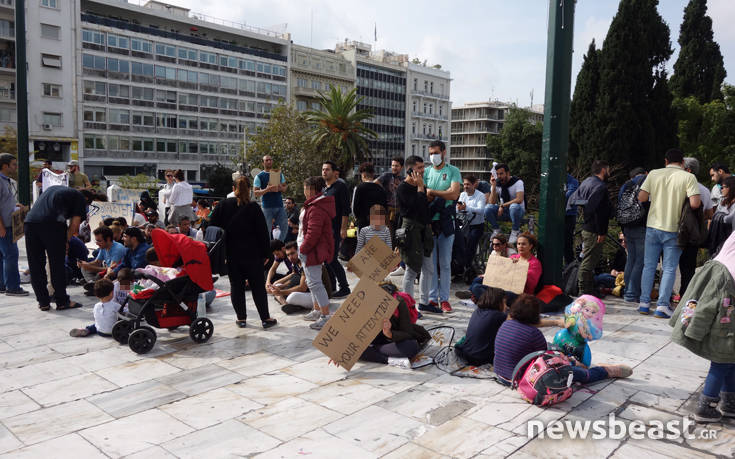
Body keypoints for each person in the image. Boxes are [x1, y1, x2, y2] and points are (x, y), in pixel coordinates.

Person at [493, 294, 632, 385]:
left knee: (549, 347)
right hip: (520, 379)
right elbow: (548, 359)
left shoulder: (506, 323)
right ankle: (606, 371)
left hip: (500, 374)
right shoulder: (533, 334)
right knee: (575, 373)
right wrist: (570, 361)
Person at [670, 231, 735, 422]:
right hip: (727, 293)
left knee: (730, 356)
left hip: (722, 283)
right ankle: (706, 406)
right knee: (722, 356)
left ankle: (730, 401)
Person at [638, 148, 701, 318]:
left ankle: (644, 303)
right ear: (682, 163)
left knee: (649, 265)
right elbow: (695, 203)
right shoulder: (689, 177)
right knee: (669, 268)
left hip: (653, 226)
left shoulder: (653, 174)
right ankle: (662, 306)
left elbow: (642, 197)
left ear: (665, 161)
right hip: (674, 229)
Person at [209, 176, 277, 329]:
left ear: (233, 189)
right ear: (249, 189)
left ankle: (241, 319)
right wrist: (266, 254)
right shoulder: (253, 207)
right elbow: (263, 233)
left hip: (232, 254)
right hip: (253, 255)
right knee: (258, 286)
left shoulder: (223, 205)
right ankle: (265, 318)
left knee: (236, 286)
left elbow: (211, 226)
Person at [25, 187, 97, 310]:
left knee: (35, 265)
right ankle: (62, 301)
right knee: (56, 265)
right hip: (52, 226)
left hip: (30, 223)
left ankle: (43, 302)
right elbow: (75, 224)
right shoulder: (79, 198)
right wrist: (66, 241)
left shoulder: (54, 190)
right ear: (86, 199)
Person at [424, 140, 461, 313]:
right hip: (430, 222)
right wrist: (438, 195)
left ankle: (444, 299)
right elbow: (422, 195)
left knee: (445, 264)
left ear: (444, 152)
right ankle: (432, 298)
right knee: (431, 264)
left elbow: (454, 194)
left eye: (436, 152)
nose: (433, 156)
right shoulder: (426, 172)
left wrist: (433, 193)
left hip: (446, 222)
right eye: (431, 153)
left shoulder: (453, 171)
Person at [358, 284, 431, 369]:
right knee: (354, 351)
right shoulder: (366, 306)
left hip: (394, 342)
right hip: (375, 342)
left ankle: (374, 351)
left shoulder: (399, 303)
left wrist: (389, 333)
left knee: (411, 347)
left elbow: (408, 333)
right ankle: (389, 360)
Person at [567, 160, 612, 295]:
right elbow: (598, 211)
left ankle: (587, 289)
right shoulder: (600, 187)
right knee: (589, 262)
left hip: (587, 227)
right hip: (594, 230)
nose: (609, 172)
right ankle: (584, 291)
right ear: (603, 170)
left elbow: (575, 200)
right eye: (608, 169)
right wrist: (601, 231)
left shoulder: (587, 182)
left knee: (588, 259)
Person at [298, 176, 335, 330]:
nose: (304, 190)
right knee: (312, 282)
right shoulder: (313, 204)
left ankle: (325, 316)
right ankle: (316, 310)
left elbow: (313, 233)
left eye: (305, 187)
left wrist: (303, 248)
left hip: (312, 251)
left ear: (311, 189)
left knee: (315, 283)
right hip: (308, 250)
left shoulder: (317, 207)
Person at [397, 156, 434, 309]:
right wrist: (420, 188)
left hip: (424, 230)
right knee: (412, 269)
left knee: (429, 268)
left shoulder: (421, 186)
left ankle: (424, 302)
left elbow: (424, 208)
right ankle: (408, 306)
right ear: (410, 170)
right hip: (411, 230)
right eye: (419, 168)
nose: (422, 171)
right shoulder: (403, 188)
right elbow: (414, 207)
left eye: (423, 167)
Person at [679, 158, 714, 296]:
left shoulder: (679, 185)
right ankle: (685, 295)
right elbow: (710, 213)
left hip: (675, 231)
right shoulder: (704, 190)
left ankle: (665, 296)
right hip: (693, 234)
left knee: (669, 266)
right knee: (689, 267)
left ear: (688, 170)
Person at [454, 287, 508, 366]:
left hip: (465, 354)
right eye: (504, 303)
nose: (506, 306)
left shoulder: (477, 311)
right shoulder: (499, 316)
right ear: (498, 303)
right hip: (481, 359)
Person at [322, 161, 351, 298]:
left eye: (327, 169)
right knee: (326, 259)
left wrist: (343, 229)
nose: (324, 172)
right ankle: (332, 286)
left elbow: (346, 210)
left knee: (332, 259)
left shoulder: (340, 187)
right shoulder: (325, 189)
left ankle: (344, 287)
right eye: (323, 169)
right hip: (325, 230)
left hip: (336, 228)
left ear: (334, 172)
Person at [0, 154, 28, 296]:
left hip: (7, 224)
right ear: (5, 165)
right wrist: (1, 227)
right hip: (4, 226)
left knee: (3, 256)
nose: (15, 167)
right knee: (11, 255)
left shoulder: (6, 181)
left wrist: (14, 205)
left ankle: (3, 284)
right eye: (13, 164)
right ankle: (12, 287)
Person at [619, 167, 648, 304]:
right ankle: (632, 293)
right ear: (646, 173)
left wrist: (623, 230)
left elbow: (621, 207)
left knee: (631, 258)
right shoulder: (645, 182)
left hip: (627, 225)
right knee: (640, 261)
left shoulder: (625, 185)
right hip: (641, 225)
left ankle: (627, 291)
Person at [485, 163, 525, 244]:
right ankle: (496, 230)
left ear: (508, 173)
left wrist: (503, 205)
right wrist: (493, 187)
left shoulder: (518, 182)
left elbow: (519, 199)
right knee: (487, 208)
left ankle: (515, 231)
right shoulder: (497, 184)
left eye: (501, 173)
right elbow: (491, 202)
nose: (499, 176)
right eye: (497, 174)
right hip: (504, 212)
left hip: (517, 211)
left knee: (514, 206)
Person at [79, 226, 126, 291]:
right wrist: (85, 264)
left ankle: (96, 286)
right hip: (107, 271)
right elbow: (97, 262)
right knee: (84, 268)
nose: (96, 243)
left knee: (106, 276)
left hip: (115, 273)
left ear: (108, 239)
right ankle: (94, 284)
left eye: (99, 241)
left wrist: (89, 267)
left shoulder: (118, 249)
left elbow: (112, 270)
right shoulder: (104, 246)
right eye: (96, 240)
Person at [253, 155, 288, 242]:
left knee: (285, 227)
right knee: (266, 230)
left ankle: (279, 246)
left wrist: (280, 187)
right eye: (266, 160)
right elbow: (255, 193)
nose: (269, 162)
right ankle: (268, 249)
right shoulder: (259, 176)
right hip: (267, 207)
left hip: (279, 205)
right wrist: (267, 189)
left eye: (270, 160)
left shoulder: (279, 174)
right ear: (263, 163)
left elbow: (285, 188)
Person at [457, 175, 486, 273]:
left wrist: (467, 209)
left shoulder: (480, 195)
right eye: (464, 184)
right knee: (459, 244)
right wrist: (459, 209)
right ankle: (458, 266)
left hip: (476, 226)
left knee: (471, 243)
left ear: (474, 185)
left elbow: (481, 210)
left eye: (468, 184)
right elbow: (458, 207)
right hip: (464, 224)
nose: (465, 186)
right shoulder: (462, 195)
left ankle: (467, 267)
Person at [267, 241, 306, 307]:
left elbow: (302, 287)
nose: (290, 257)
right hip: (296, 278)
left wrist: (281, 292)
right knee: (276, 285)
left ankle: (286, 302)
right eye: (288, 255)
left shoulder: (303, 262)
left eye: (292, 253)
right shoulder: (294, 263)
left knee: (291, 297)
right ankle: (285, 304)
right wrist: (269, 283)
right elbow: (273, 269)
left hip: (313, 293)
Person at [352, 162, 387, 230]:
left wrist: (358, 219)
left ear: (363, 175)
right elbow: (384, 207)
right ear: (373, 174)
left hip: (363, 223)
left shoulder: (358, 188)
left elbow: (354, 208)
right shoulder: (381, 189)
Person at [375, 157, 404, 238]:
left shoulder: (403, 179)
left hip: (400, 212)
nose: (394, 168)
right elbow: (374, 184)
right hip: (387, 211)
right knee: (389, 236)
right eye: (393, 165)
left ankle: (397, 249)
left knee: (400, 236)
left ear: (402, 167)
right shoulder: (386, 176)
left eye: (396, 166)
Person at [709, 176, 735, 256]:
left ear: (730, 188)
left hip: (730, 236)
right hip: (722, 235)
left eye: (723, 187)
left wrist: (719, 215)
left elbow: (730, 219)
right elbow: (716, 213)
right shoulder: (723, 201)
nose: (721, 189)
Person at [511, 232, 542, 297]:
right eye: (518, 244)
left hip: (522, 295)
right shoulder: (512, 257)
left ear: (530, 246)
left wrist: (518, 267)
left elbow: (530, 285)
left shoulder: (535, 263)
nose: (520, 246)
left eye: (523, 244)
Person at [564, 172, 580, 265]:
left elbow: (569, 195)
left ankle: (568, 267)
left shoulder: (573, 181)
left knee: (567, 243)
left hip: (568, 216)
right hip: (553, 217)